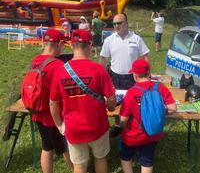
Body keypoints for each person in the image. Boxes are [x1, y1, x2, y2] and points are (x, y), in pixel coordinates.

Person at [50, 29, 116, 173]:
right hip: (98, 125)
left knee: (79, 166)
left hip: (73, 127)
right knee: (100, 159)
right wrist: (111, 108)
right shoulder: (99, 69)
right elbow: (111, 98)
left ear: (71, 46)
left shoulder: (60, 71)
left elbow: (53, 102)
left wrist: (60, 125)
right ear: (90, 45)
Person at [118, 59, 177, 173]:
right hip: (153, 134)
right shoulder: (160, 87)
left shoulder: (131, 92)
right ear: (149, 73)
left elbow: (123, 120)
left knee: (125, 156)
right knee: (147, 160)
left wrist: (118, 128)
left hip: (133, 136)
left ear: (134, 75)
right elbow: (173, 108)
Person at [30, 28, 71, 173]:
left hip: (37, 112)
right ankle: (78, 169)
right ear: (59, 43)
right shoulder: (57, 65)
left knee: (47, 146)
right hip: (54, 115)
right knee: (66, 146)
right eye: (63, 44)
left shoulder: (34, 61)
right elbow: (63, 93)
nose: (64, 47)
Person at [100, 13, 150, 90]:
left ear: (126, 23)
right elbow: (103, 59)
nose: (116, 25)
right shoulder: (109, 40)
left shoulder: (136, 39)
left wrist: (147, 75)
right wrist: (101, 76)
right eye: (114, 24)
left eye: (119, 23)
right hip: (115, 78)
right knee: (117, 101)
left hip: (133, 77)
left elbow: (145, 55)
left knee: (133, 100)